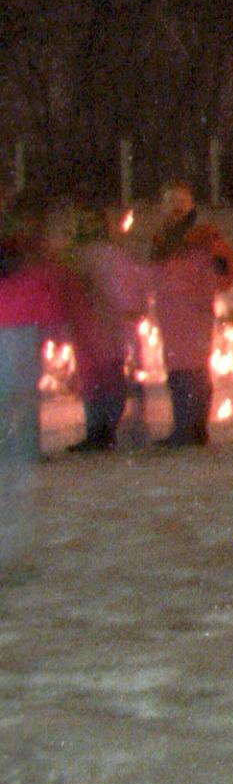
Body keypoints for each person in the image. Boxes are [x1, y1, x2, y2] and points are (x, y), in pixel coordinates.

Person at [144, 185, 231, 448]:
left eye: (179, 204)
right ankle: (188, 429)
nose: (174, 211)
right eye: (169, 204)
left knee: (191, 372)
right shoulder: (162, 242)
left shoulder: (204, 240)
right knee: (182, 372)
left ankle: (191, 430)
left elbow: (224, 273)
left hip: (193, 315)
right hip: (173, 317)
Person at [0, 199, 60, 582]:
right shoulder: (29, 269)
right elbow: (47, 306)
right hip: (20, 340)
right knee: (21, 415)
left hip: (16, 338)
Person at [65, 209, 139, 452]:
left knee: (100, 377)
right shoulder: (108, 255)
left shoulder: (83, 256)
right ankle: (101, 430)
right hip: (97, 324)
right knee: (103, 377)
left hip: (98, 323)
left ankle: (100, 430)